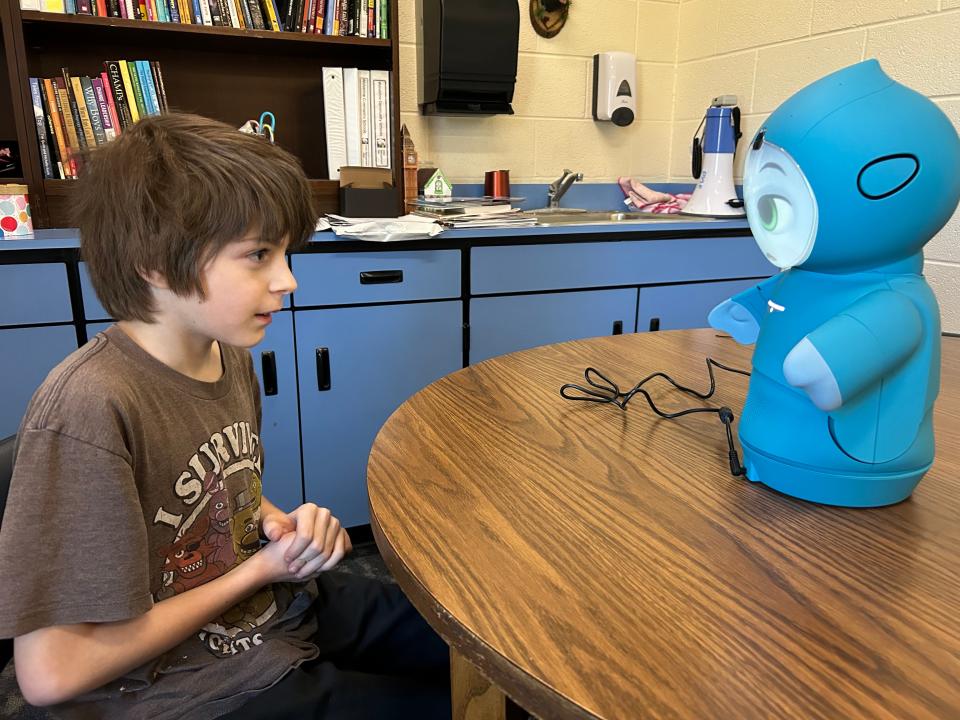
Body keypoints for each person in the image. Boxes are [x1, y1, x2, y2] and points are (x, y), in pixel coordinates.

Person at [0, 113, 450, 719]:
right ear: (155, 263)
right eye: (258, 254)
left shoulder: (226, 355)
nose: (287, 280)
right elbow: (51, 674)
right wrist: (257, 571)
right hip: (187, 687)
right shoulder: (89, 408)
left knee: (474, 644)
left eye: (285, 253)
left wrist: (281, 528)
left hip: (273, 607)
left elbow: (219, 496)